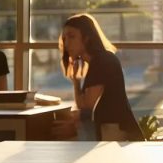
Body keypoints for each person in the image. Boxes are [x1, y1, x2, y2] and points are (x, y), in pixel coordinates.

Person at [58, 13, 143, 141]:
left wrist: (72, 119)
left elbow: (87, 106)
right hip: (112, 129)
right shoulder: (98, 61)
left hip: (115, 130)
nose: (66, 43)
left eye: (71, 36)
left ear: (86, 38)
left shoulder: (102, 61)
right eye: (64, 38)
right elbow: (83, 106)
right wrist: (76, 81)